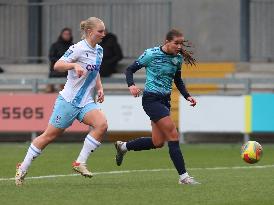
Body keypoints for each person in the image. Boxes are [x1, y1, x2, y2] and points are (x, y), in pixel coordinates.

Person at [15, 17, 107, 186]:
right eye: (100, 31)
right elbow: (57, 65)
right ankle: (23, 166)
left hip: (86, 102)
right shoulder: (77, 48)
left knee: (102, 125)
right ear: (89, 32)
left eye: (104, 30)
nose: (103, 34)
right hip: (69, 101)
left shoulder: (99, 50)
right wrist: (73, 66)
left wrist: (100, 87)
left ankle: (80, 163)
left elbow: (96, 70)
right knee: (49, 136)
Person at [114, 29, 200, 185]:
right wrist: (131, 85)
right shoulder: (151, 54)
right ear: (167, 41)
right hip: (151, 100)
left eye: (181, 43)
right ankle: (184, 177)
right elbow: (130, 69)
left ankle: (123, 147)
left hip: (165, 101)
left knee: (158, 142)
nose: (179, 46)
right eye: (176, 43)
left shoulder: (177, 59)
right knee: (173, 134)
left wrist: (187, 95)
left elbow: (178, 80)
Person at [46, 27, 73, 93]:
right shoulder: (55, 45)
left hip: (68, 71)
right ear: (61, 35)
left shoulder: (73, 46)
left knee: (65, 91)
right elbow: (51, 57)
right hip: (55, 71)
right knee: (48, 90)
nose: (66, 36)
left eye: (68, 34)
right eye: (65, 34)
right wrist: (61, 62)